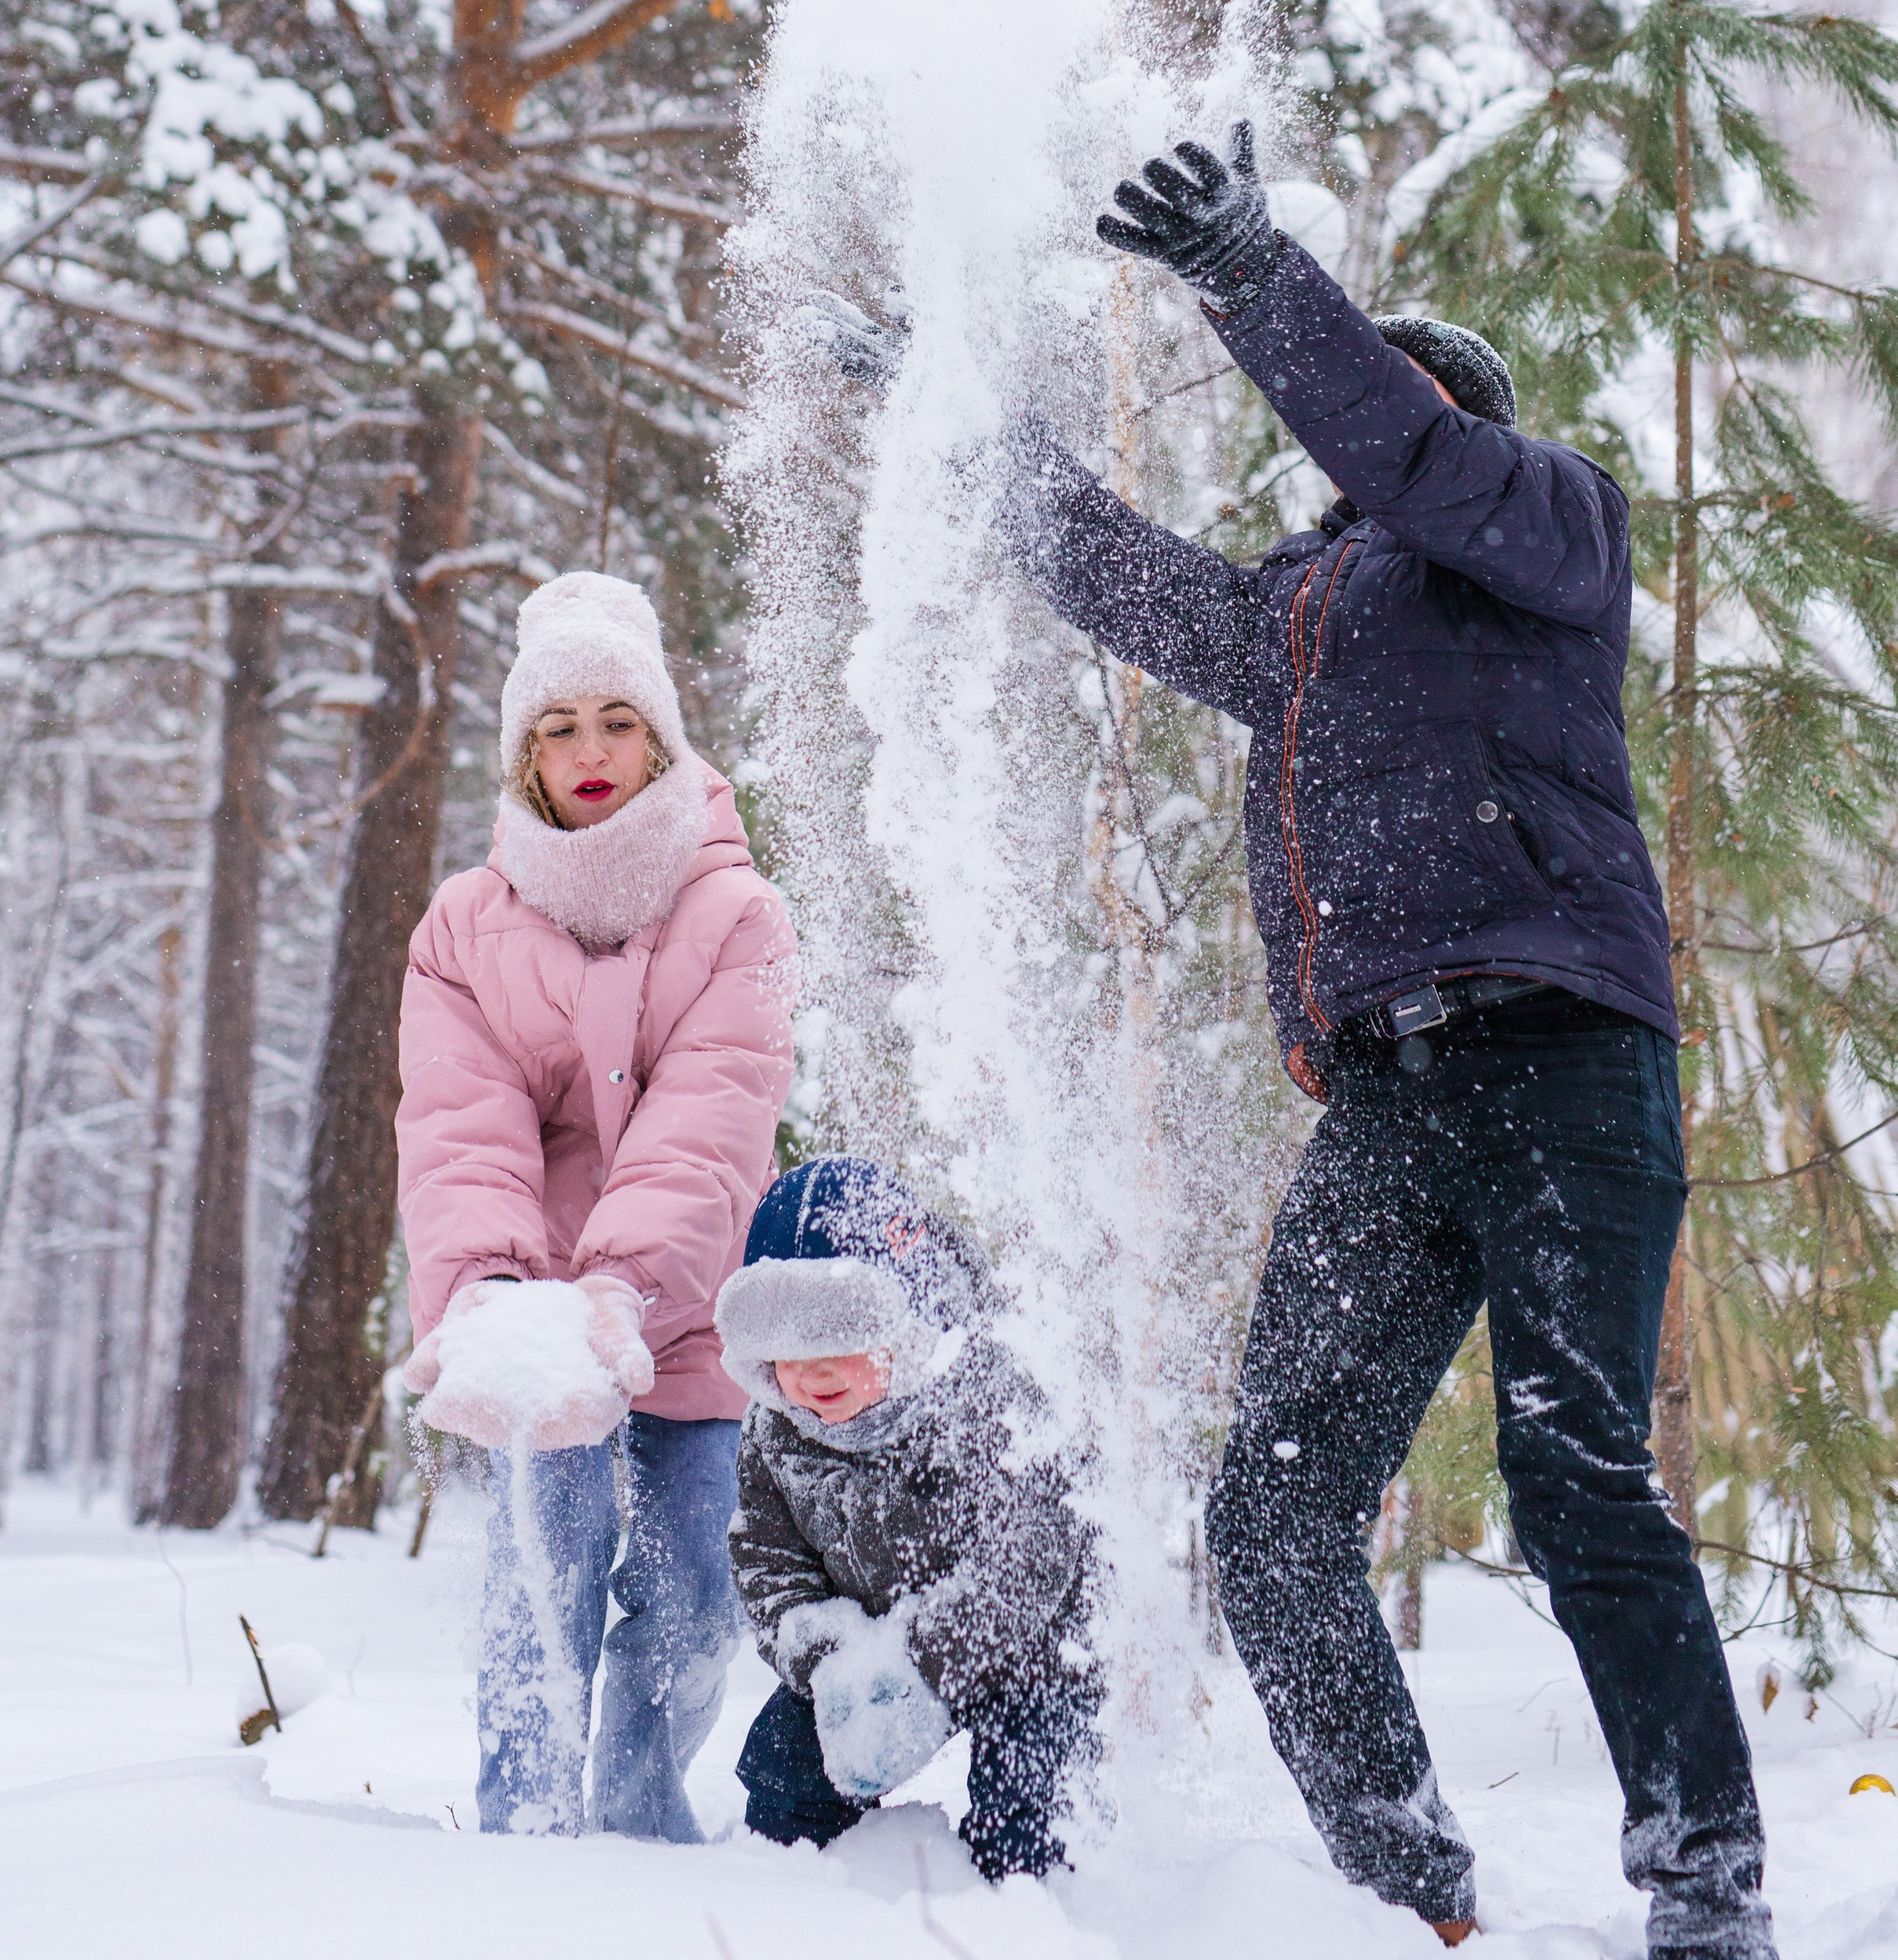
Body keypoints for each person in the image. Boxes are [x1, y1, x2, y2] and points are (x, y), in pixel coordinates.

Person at [812, 127, 1774, 1958]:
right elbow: (1103, 565)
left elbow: (1403, 446)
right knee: (1265, 1515)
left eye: (1387, 388)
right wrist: (953, 416)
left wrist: (1253, 268)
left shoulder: (1543, 524)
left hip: (1561, 1054)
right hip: (1391, 1093)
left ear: (1450, 414)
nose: (1361, 420)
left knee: (1577, 1486)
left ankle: (1706, 1899)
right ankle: (1402, 1891)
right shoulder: (1295, 621)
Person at [396, 570, 796, 1840]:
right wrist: (491, 1295)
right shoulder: (466, 926)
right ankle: (523, 1830)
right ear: (523, 750)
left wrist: (627, 1283)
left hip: (686, 1301)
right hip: (532, 1307)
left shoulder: (739, 915)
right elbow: (462, 1127)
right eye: (555, 728)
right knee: (539, 1573)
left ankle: (637, 1823)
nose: (588, 752)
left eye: (615, 721)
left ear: (662, 735)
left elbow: (715, 1121)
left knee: (691, 1594)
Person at [717, 1155, 1101, 1883]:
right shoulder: (775, 1428)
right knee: (784, 1781)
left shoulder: (985, 1396)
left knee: (1026, 1815)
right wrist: (829, 1662)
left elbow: (1036, 1551)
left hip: (1021, 1648)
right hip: (862, 1648)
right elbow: (767, 1558)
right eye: (792, 1351)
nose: (815, 1373)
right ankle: (788, 1901)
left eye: (843, 1341)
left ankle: (1030, 1907)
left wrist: (921, 1660)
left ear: (906, 1323)